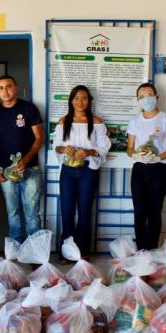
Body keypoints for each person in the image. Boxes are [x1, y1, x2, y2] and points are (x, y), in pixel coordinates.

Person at [52, 85, 110, 261]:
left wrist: (89, 152)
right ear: (71, 100)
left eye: (84, 98)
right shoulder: (64, 122)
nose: (80, 101)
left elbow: (104, 146)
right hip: (68, 171)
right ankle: (66, 252)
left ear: (89, 101)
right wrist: (64, 148)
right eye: (76, 98)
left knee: (84, 211)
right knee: (67, 211)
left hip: (88, 171)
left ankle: (82, 251)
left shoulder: (97, 122)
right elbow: (56, 145)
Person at [0, 75, 44, 243]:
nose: (5, 91)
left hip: (30, 168)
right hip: (5, 171)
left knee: (32, 213)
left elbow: (39, 138)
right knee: (12, 212)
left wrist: (25, 160)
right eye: (1, 88)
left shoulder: (28, 109)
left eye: (9, 86)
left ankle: (35, 253)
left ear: (16, 88)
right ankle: (15, 250)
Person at [126, 83, 166, 251]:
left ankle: (153, 251)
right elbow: (129, 147)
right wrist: (135, 155)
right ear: (137, 100)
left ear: (156, 97)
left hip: (159, 170)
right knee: (139, 213)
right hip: (139, 170)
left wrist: (158, 156)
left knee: (154, 213)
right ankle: (141, 252)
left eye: (149, 95)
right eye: (142, 97)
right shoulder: (134, 121)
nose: (146, 99)